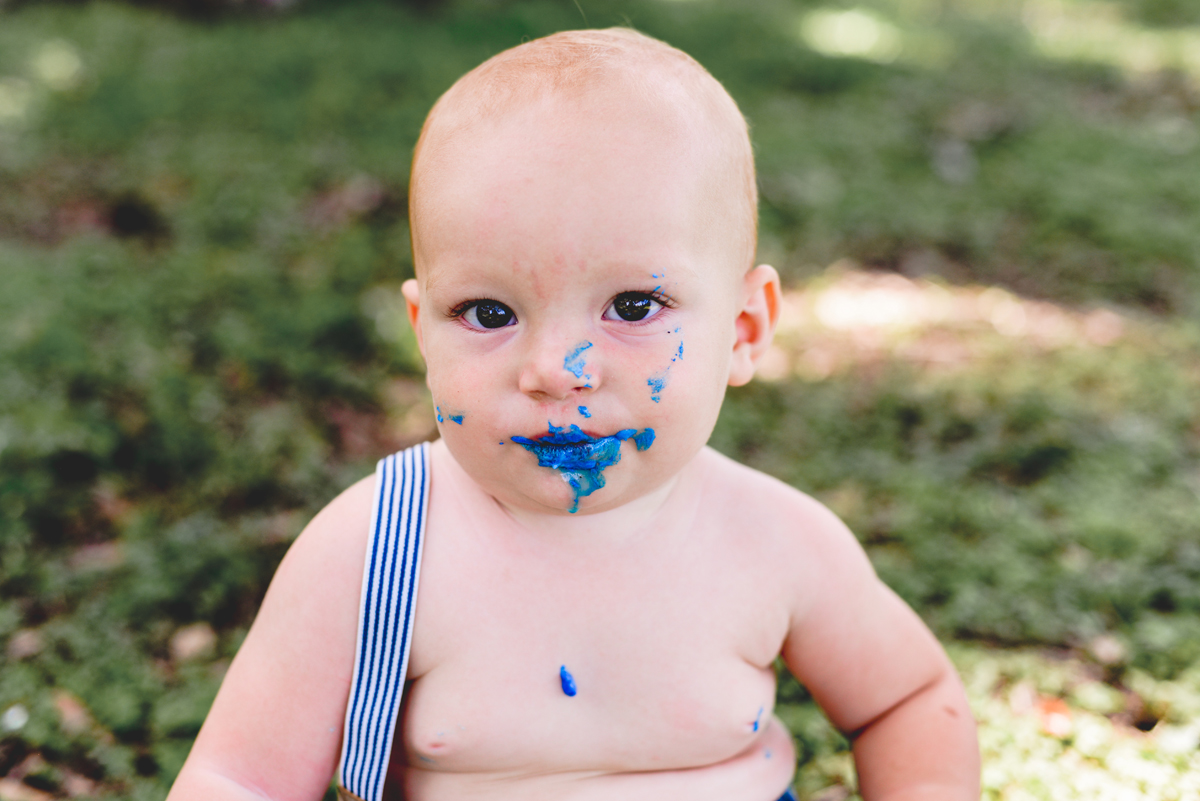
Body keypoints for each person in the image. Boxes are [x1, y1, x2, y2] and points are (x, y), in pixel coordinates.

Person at [167, 27, 980, 801]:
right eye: (488, 313)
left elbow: (905, 699)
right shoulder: (375, 551)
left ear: (744, 330)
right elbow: (244, 778)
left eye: (632, 304)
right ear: (422, 333)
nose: (556, 371)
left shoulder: (775, 542)